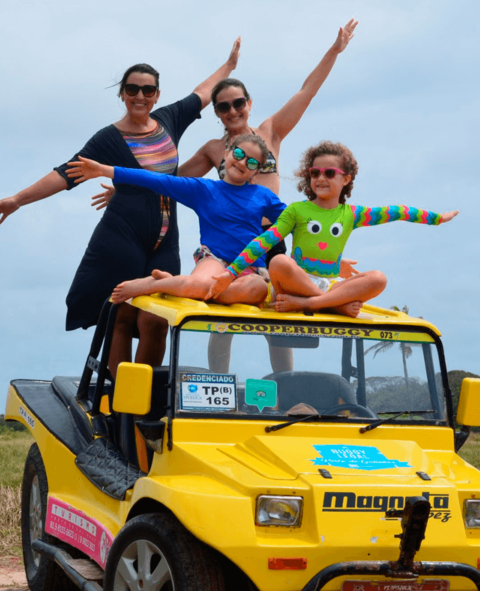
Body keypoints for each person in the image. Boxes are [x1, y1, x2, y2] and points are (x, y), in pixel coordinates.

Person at [91, 21, 359, 371]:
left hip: (272, 239)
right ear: (216, 112)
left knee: (278, 325)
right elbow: (169, 182)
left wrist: (334, 51)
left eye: (237, 103)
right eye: (222, 107)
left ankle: (287, 393)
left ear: (249, 103)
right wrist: (121, 190)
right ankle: (219, 388)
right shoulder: (214, 149)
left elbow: (306, 92)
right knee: (223, 321)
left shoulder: (271, 132)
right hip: (228, 243)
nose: (232, 111)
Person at [0, 43, 240, 375]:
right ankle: (118, 403)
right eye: (132, 89)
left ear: (157, 95)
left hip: (165, 240)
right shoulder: (109, 138)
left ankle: (142, 402)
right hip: (123, 237)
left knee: (156, 320)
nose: (140, 95)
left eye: (148, 90)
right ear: (122, 94)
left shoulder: (169, 120)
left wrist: (229, 65)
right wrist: (18, 199)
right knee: (122, 315)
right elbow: (66, 173)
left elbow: (203, 92)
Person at [206, 141, 459, 318]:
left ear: (346, 179)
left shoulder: (351, 214)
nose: (320, 178)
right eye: (315, 172)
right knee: (280, 261)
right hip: (293, 285)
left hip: (327, 288)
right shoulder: (296, 210)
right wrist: (230, 273)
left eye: (329, 172)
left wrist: (436, 218)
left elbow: (397, 211)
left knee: (379, 278)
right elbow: (263, 241)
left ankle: (314, 303)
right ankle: (331, 306)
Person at [64, 135, 285, 308]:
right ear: (227, 153)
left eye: (252, 162)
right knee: (197, 283)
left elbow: (297, 220)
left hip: (249, 268)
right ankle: (155, 284)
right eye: (239, 153)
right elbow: (157, 180)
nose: (243, 161)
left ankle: (179, 286)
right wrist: (105, 170)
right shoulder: (203, 189)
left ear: (256, 171)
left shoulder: (262, 195)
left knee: (257, 288)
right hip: (215, 259)